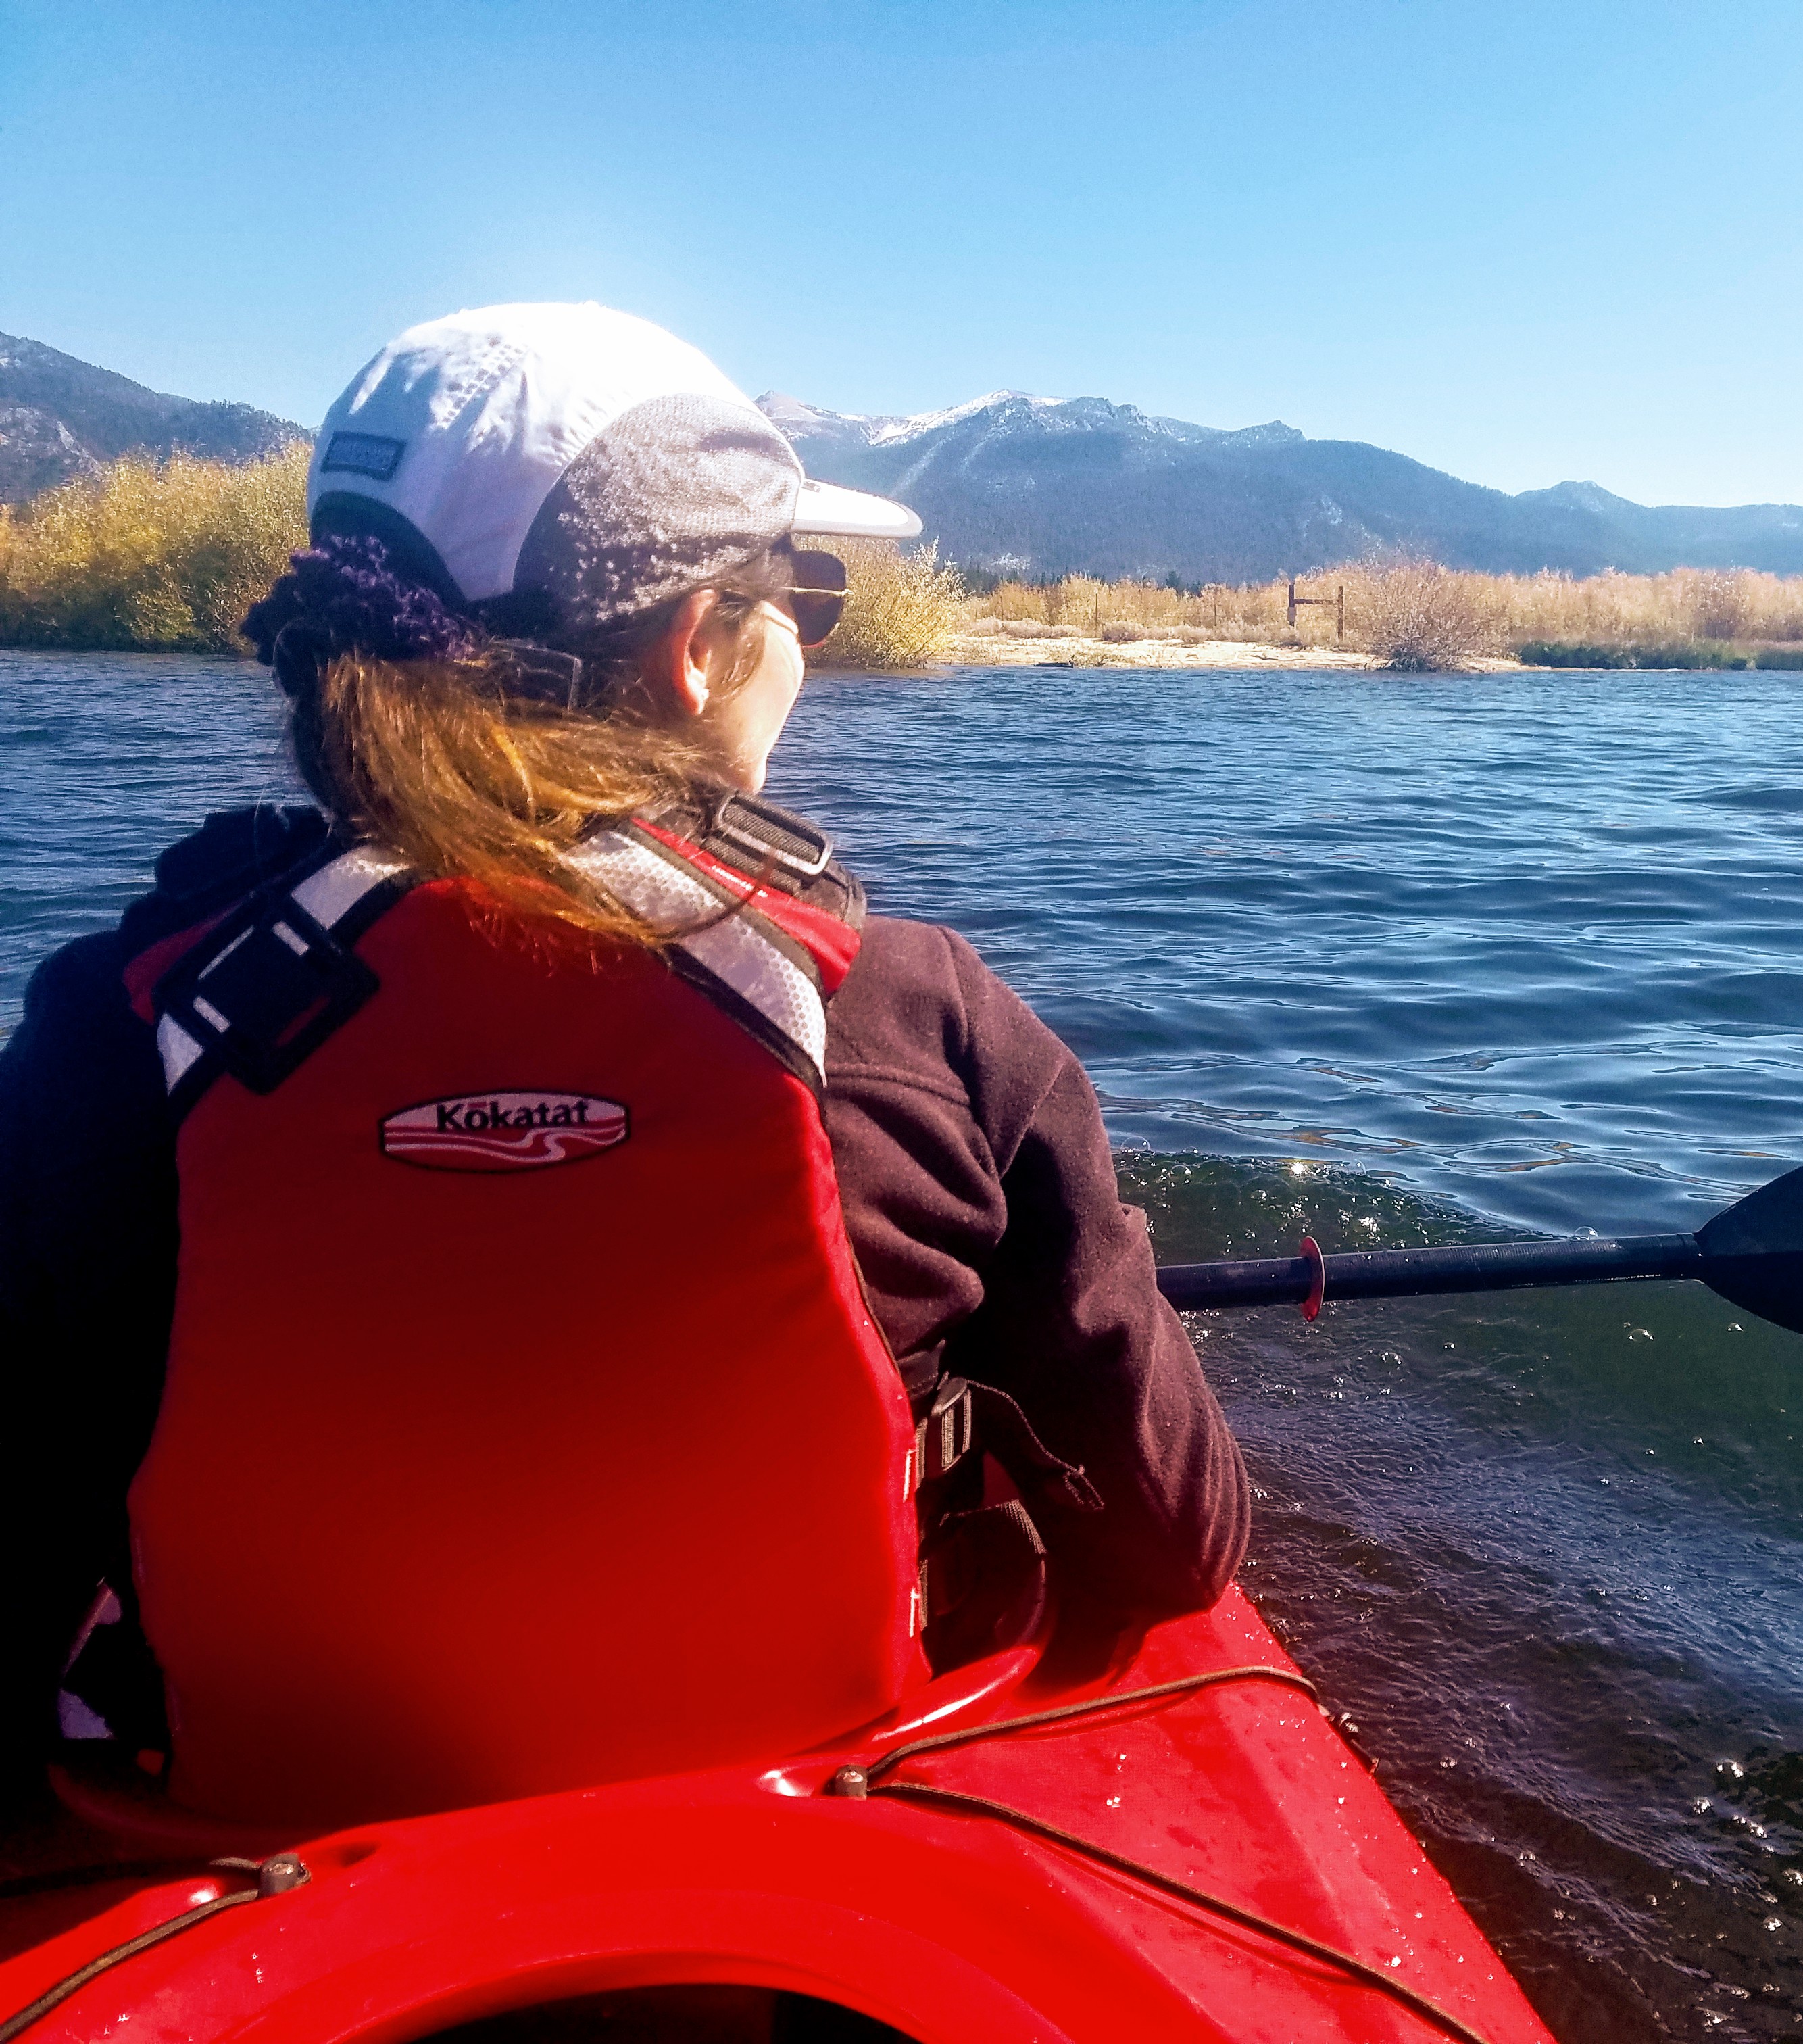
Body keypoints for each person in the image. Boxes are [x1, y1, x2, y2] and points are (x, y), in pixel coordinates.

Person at [0, 303, 1248, 1822]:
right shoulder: (923, 1019)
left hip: (276, 1868)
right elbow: (1176, 1536)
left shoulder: (110, 1025)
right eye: (805, 595)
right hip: (796, 1860)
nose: (808, 639)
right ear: (697, 655)